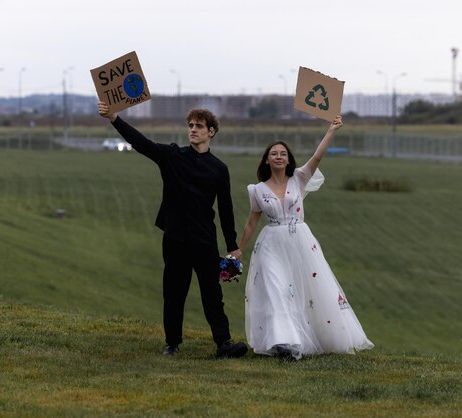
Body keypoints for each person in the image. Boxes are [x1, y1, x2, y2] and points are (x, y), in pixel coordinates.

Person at [98, 102, 248, 359]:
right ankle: (172, 343)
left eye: (199, 126)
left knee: (212, 294)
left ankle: (224, 344)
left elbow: (226, 209)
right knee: (174, 293)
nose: (193, 130)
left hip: (205, 241)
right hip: (175, 237)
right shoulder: (172, 156)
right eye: (190, 125)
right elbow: (142, 143)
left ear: (211, 132)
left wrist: (233, 245)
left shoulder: (219, 169)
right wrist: (114, 118)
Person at [238, 115, 374, 361]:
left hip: (299, 240)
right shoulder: (257, 190)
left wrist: (331, 131)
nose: (279, 157)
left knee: (307, 290)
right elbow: (251, 223)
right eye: (274, 154)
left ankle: (313, 336)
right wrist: (238, 250)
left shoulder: (299, 179)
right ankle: (284, 343)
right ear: (267, 160)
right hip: (270, 244)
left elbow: (318, 157)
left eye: (283, 154)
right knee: (276, 290)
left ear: (288, 159)